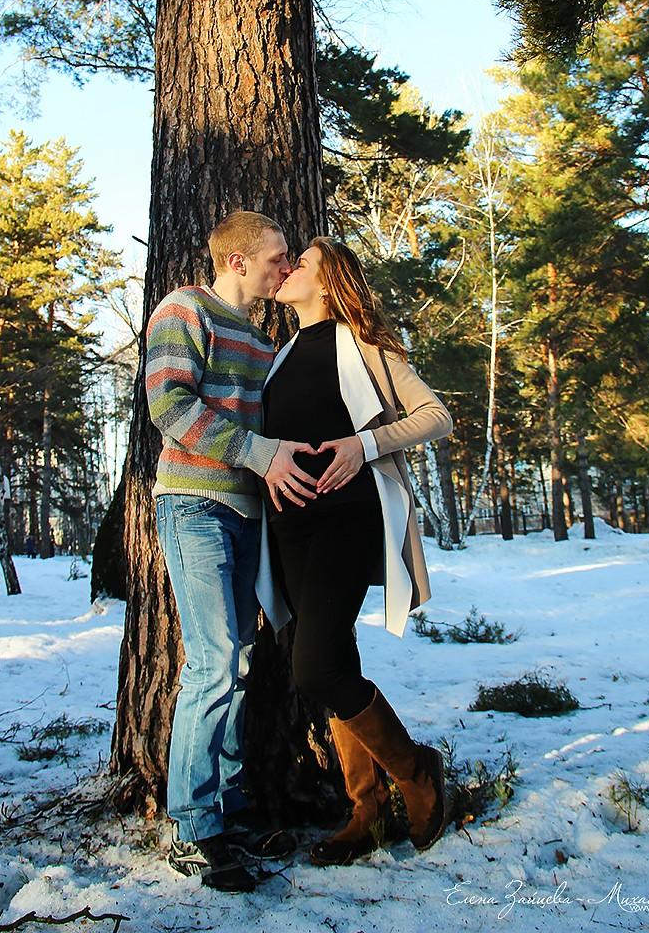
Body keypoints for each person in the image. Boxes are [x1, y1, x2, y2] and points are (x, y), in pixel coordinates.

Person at [255, 236, 453, 866]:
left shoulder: (366, 346)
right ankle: (365, 810)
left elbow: (435, 415)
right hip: (291, 526)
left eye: (301, 263)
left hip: (348, 517)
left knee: (315, 669)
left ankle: (416, 771)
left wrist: (364, 445)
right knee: (333, 659)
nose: (288, 270)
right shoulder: (280, 354)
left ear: (328, 280)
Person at [145, 210, 316, 892]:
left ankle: (226, 805)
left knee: (240, 661)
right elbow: (169, 406)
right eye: (277, 257)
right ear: (238, 262)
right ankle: (192, 828)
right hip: (194, 504)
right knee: (214, 663)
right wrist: (257, 452)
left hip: (248, 515)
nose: (286, 268)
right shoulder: (184, 308)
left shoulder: (263, 340)